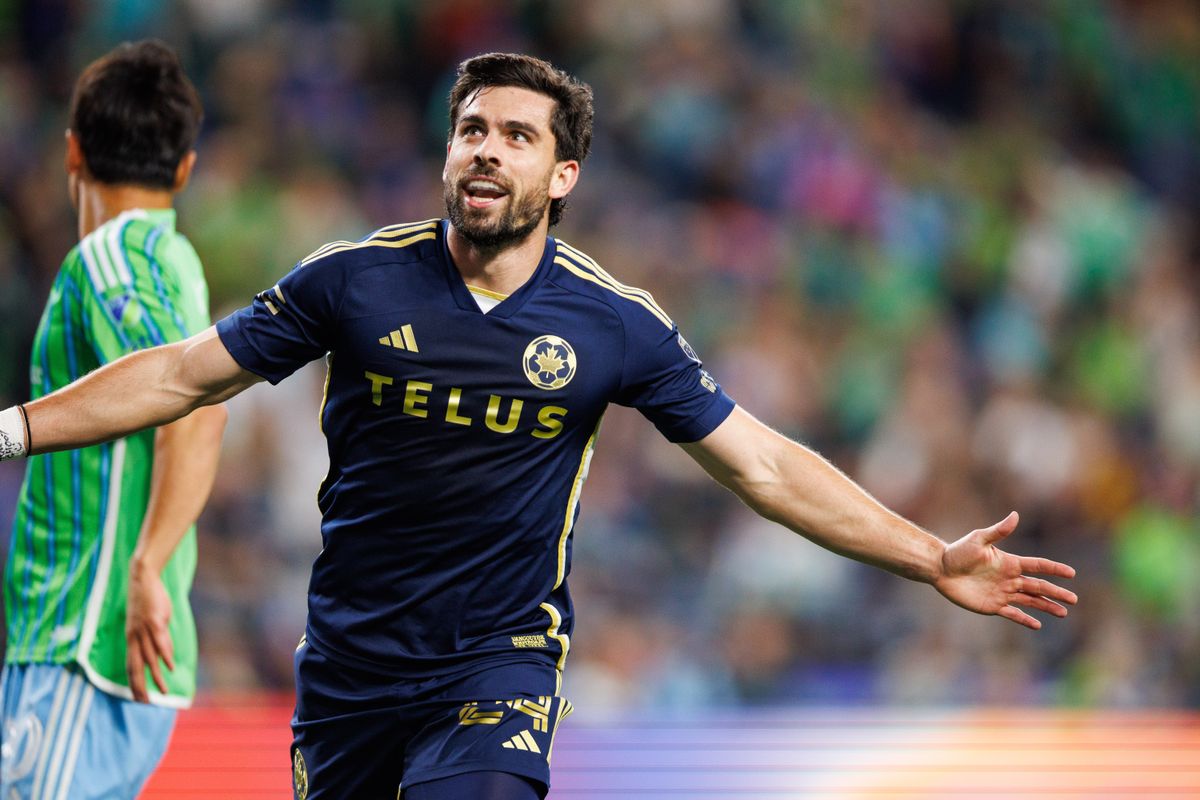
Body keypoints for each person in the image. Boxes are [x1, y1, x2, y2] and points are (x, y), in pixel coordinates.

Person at [0, 52, 1076, 800]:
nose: (486, 150)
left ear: (562, 175)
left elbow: (764, 465)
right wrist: (11, 430)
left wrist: (929, 556)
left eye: (516, 136)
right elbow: (179, 378)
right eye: (472, 130)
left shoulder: (613, 322)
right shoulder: (353, 282)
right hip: (349, 670)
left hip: (497, 663)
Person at [0, 40, 226, 798]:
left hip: (82, 632)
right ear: (184, 169)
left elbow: (196, 410)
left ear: (72, 151)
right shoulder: (177, 262)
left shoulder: (111, 258)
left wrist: (145, 565)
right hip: (113, 638)